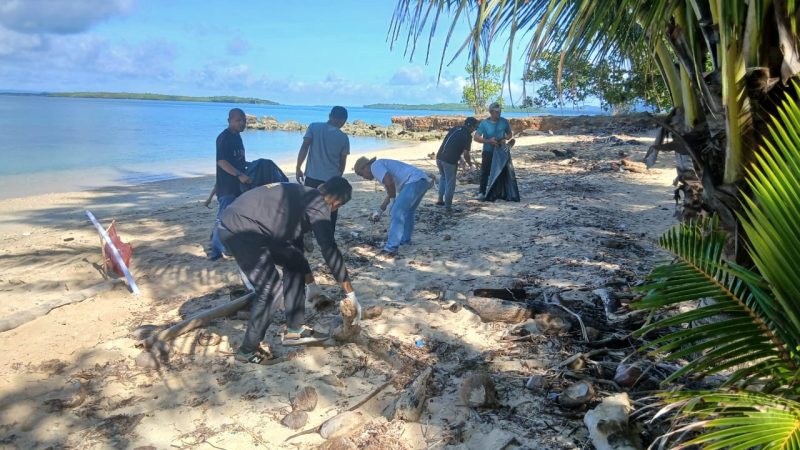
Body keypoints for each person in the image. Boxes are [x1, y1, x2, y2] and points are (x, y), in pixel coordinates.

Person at [218, 177, 362, 364]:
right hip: (238, 231)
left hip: (250, 226)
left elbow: (297, 253)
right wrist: (351, 294)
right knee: (270, 289)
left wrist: (311, 285)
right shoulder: (319, 205)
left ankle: (294, 330)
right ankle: (247, 350)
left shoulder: (302, 198)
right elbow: (329, 249)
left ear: (321, 186)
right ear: (336, 204)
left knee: (294, 261)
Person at [353, 157, 430, 257]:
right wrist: (380, 210)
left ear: (365, 167)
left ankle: (391, 248)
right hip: (422, 180)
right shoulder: (380, 168)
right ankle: (405, 240)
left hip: (414, 181)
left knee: (397, 212)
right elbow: (390, 192)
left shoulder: (375, 166)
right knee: (408, 212)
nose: (363, 177)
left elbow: (389, 182)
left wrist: (394, 202)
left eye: (361, 174)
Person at [295, 106, 350, 231]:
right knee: (331, 210)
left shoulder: (314, 127)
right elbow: (342, 162)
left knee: (309, 207)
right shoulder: (343, 137)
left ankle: (306, 232)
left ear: (330, 115)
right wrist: (339, 177)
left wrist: (298, 168)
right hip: (331, 180)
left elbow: (304, 147)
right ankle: (328, 235)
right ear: (344, 121)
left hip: (312, 176)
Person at [209, 108, 251, 261]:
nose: (242, 123)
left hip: (238, 186)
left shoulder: (237, 137)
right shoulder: (224, 138)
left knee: (234, 217)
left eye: (244, 120)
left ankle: (220, 241)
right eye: (238, 120)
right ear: (229, 121)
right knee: (223, 218)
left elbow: (237, 160)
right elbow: (221, 161)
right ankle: (215, 252)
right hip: (227, 186)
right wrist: (239, 175)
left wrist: (250, 165)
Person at [435, 117, 478, 210]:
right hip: (449, 160)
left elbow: (452, 145)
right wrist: (470, 165)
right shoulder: (467, 135)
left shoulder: (455, 128)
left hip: (439, 157)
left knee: (443, 177)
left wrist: (460, 159)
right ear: (472, 127)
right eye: (475, 127)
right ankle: (448, 207)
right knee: (450, 183)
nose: (475, 130)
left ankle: (440, 199)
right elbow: (466, 154)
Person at [474, 102, 513, 200]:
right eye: (496, 111)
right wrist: (488, 141)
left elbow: (510, 134)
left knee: (501, 172)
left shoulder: (504, 122)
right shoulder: (484, 123)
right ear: (491, 112)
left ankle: (499, 193)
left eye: (500, 111)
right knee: (485, 172)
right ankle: (482, 192)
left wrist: (505, 138)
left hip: (500, 151)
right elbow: (476, 137)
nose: (499, 113)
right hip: (488, 151)